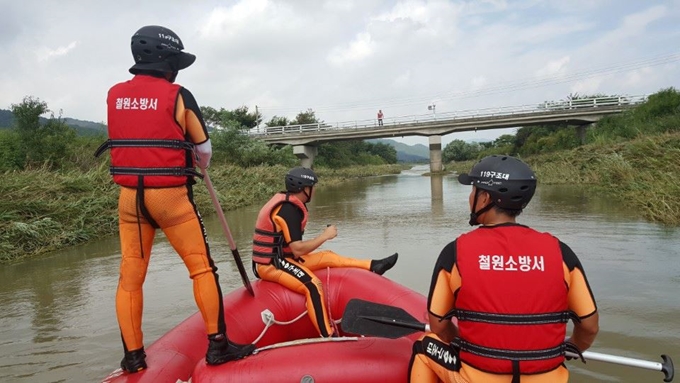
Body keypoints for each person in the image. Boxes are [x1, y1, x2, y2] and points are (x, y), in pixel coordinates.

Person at [96, 25, 254, 373]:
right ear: (167, 62)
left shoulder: (113, 94)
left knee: (130, 277)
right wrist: (195, 161)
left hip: (128, 200)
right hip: (170, 199)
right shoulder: (178, 94)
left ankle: (133, 357)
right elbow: (204, 149)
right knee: (202, 269)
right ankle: (218, 346)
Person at [408, 155, 599, 383]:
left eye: (473, 191)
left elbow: (439, 324)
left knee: (424, 345)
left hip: (479, 378)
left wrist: (461, 343)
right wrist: (571, 348)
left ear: (485, 198)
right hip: (548, 378)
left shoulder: (455, 252)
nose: (470, 198)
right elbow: (589, 326)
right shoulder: (561, 252)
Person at [252, 166, 399, 337]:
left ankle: (374, 265)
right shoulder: (288, 210)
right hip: (270, 264)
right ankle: (328, 334)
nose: (314, 191)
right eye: (312, 187)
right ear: (303, 188)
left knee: (327, 256)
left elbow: (293, 249)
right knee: (313, 286)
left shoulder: (289, 205)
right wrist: (324, 236)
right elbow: (298, 250)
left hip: (284, 258)